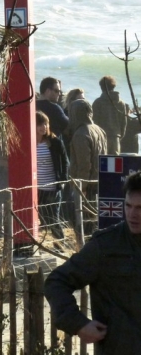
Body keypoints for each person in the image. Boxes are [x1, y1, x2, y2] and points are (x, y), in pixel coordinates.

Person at [45, 171, 141, 354]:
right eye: (128, 206)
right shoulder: (105, 246)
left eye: (140, 208)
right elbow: (56, 282)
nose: (132, 214)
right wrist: (79, 324)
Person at [68, 99, 107, 235]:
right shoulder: (100, 130)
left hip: (86, 185)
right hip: (99, 181)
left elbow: (84, 165)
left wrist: (81, 188)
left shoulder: (80, 134)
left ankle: (83, 249)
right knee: (94, 218)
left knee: (83, 222)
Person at [35, 111, 69, 240]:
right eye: (40, 124)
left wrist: (63, 180)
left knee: (53, 218)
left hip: (52, 187)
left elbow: (65, 162)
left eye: (45, 123)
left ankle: (60, 245)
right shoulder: (30, 143)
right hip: (37, 188)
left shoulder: (55, 142)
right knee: (41, 217)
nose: (43, 127)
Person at [92, 75, 127, 155]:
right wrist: (119, 136)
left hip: (101, 138)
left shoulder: (98, 103)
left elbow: (94, 122)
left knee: (102, 164)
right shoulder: (121, 103)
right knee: (115, 165)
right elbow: (123, 124)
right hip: (116, 138)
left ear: (101, 87)